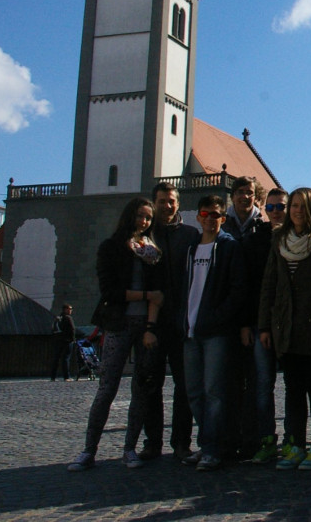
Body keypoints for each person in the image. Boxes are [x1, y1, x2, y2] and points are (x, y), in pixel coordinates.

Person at [67, 197, 164, 471]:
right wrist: (145, 295)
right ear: (129, 216)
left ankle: (129, 449)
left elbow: (159, 295)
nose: (144, 222)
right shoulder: (111, 248)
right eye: (140, 216)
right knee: (107, 388)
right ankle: (89, 450)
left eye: (148, 218)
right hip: (117, 324)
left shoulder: (152, 252)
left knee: (141, 390)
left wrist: (150, 328)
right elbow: (111, 292)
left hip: (143, 326)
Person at [258, 187, 311, 470]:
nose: (296, 210)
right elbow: (269, 286)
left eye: (301, 206)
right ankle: (295, 444)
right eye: (293, 205)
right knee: (293, 391)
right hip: (287, 329)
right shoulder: (279, 240)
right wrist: (265, 326)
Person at [181, 195, 245, 471]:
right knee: (194, 392)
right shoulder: (191, 248)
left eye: (216, 214)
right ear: (198, 216)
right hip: (190, 331)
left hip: (216, 332)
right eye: (205, 213)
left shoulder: (229, 247)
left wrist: (218, 319)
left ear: (223, 218)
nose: (210, 218)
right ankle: (209, 442)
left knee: (214, 392)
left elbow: (237, 290)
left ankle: (212, 448)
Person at [140, 181, 197, 462]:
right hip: (153, 322)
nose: (168, 205)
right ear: (154, 203)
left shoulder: (190, 235)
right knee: (152, 383)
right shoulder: (145, 236)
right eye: (162, 201)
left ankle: (182, 442)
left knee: (184, 385)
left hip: (182, 320)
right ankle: (153, 442)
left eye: (172, 200)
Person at [238, 187, 288, 463]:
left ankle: (295, 439)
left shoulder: (298, 237)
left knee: (295, 385)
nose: (276, 212)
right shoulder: (254, 239)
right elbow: (246, 286)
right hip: (260, 323)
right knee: (261, 384)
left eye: (281, 207)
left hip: (291, 325)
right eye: (270, 208)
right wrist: (247, 323)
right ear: (264, 210)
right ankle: (265, 438)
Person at [223, 176, 262, 242]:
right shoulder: (221, 223)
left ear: (255, 198)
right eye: (240, 192)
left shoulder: (262, 225)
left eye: (249, 193)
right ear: (232, 197)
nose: (245, 196)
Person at [50, 304, 76, 381]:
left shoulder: (58, 318)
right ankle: (66, 376)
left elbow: (53, 329)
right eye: (70, 309)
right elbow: (72, 329)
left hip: (58, 340)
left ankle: (53, 377)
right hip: (67, 340)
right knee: (66, 358)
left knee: (56, 358)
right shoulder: (68, 318)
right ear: (65, 309)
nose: (71, 310)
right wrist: (73, 339)